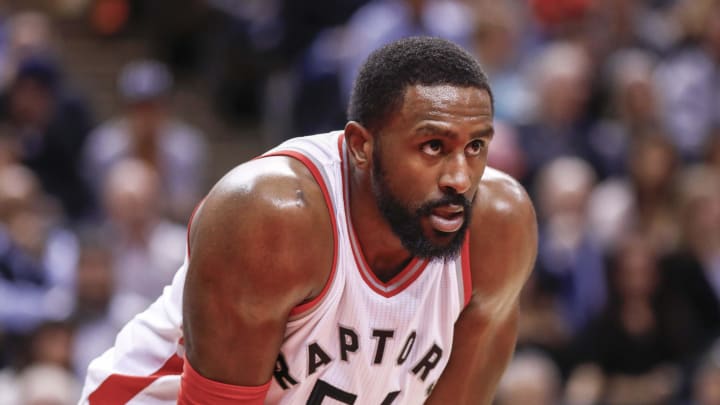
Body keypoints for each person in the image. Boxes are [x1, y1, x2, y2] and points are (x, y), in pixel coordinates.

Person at [80, 36, 537, 404]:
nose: (460, 177)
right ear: (361, 146)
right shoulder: (271, 218)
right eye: (433, 146)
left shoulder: (500, 227)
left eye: (476, 146)